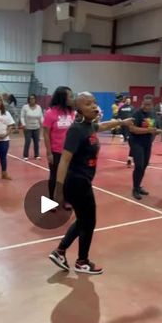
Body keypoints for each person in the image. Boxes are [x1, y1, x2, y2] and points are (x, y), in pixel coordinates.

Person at [49, 92, 133, 274]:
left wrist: (121, 122)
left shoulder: (88, 125)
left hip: (82, 181)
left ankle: (60, 251)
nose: (94, 106)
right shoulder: (76, 129)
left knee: (83, 221)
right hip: (76, 182)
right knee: (89, 222)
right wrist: (58, 189)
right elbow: (64, 160)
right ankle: (82, 262)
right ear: (79, 109)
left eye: (94, 102)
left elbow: (101, 126)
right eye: (88, 104)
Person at [43, 86, 75, 206]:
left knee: (68, 177)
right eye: (70, 96)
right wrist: (49, 152)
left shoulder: (72, 112)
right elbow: (46, 134)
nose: (72, 98)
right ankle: (51, 200)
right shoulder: (50, 113)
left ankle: (66, 199)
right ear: (63, 98)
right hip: (56, 151)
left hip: (70, 151)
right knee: (54, 176)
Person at [129, 94, 162, 200]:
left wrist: (157, 131)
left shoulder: (153, 113)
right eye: (144, 104)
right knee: (139, 165)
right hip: (136, 142)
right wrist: (148, 130)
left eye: (148, 105)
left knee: (144, 165)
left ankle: (138, 186)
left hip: (147, 143)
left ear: (152, 105)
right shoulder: (137, 113)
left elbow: (155, 127)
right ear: (142, 103)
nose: (146, 107)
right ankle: (135, 189)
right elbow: (132, 129)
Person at [21, 94, 43, 160]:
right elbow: (22, 116)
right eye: (30, 98)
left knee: (36, 142)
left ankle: (36, 155)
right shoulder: (25, 107)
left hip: (36, 127)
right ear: (28, 100)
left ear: (35, 99)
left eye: (33, 98)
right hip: (27, 128)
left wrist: (43, 123)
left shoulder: (39, 107)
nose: (32, 100)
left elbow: (41, 116)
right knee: (27, 141)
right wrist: (23, 124)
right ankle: (25, 155)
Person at [118, 96, 135, 167]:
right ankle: (125, 139)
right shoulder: (121, 108)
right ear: (125, 101)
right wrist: (119, 120)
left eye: (129, 100)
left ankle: (130, 159)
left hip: (130, 124)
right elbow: (118, 114)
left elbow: (134, 115)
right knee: (124, 132)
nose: (128, 101)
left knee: (133, 145)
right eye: (127, 100)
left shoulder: (132, 108)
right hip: (123, 123)